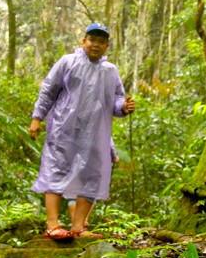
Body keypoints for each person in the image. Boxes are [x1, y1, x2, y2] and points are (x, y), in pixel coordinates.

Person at [28, 23, 135, 240]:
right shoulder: (68, 63)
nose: (96, 45)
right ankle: (52, 225)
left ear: (107, 46)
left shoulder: (110, 71)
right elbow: (49, 89)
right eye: (92, 40)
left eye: (101, 41)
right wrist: (37, 118)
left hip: (96, 132)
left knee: (91, 175)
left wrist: (123, 107)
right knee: (56, 170)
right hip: (63, 128)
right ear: (83, 41)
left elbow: (116, 99)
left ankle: (78, 227)